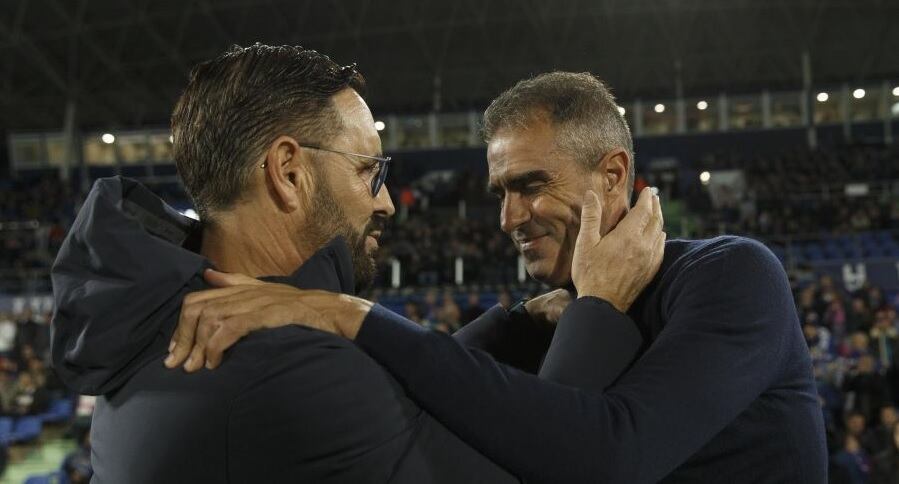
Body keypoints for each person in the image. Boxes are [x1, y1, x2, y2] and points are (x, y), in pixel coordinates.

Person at [171, 72, 827, 483]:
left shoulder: (731, 275)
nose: (510, 217)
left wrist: (345, 312)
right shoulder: (550, 315)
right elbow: (425, 413)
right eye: (500, 192)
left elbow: (609, 457)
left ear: (612, 175)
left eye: (531, 186)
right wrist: (515, 320)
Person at [50, 45, 661, 483]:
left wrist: (512, 327)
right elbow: (543, 461)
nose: (387, 202)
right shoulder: (286, 369)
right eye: (370, 171)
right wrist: (600, 312)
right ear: (289, 173)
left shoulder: (156, 327)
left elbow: (401, 406)